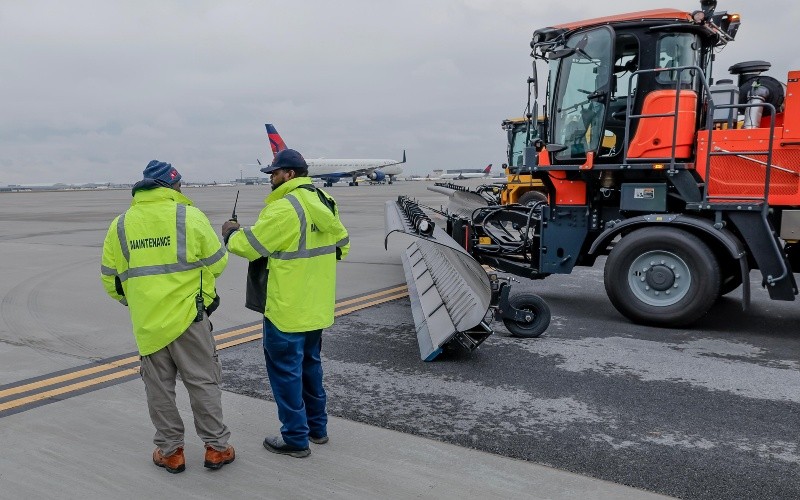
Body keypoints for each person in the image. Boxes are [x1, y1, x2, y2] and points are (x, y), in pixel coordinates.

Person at [100, 160, 235, 474]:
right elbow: (218, 263)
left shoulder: (120, 224)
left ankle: (171, 453)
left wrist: (138, 301)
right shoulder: (188, 215)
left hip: (148, 323)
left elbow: (110, 279)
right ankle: (216, 448)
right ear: (172, 186)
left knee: (159, 389)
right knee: (203, 383)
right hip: (190, 317)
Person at [222, 149, 349, 458]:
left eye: (274, 173)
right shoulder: (324, 202)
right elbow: (341, 247)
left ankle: (294, 437)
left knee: (285, 372)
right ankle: (318, 429)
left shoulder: (284, 208)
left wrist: (230, 234)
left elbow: (252, 247)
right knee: (311, 367)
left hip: (286, 308)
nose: (271, 178)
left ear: (290, 175)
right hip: (316, 306)